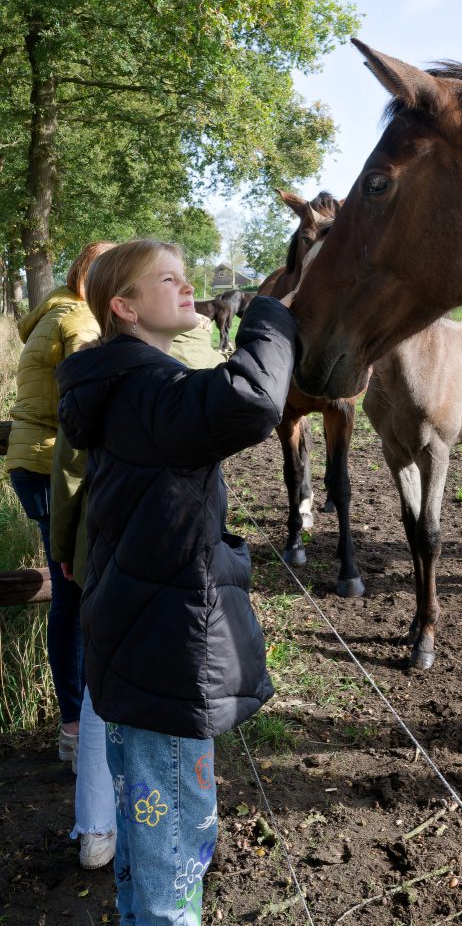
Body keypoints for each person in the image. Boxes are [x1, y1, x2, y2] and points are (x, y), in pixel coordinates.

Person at [56, 239, 296, 922]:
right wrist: (269, 313)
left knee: (146, 851)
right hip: (164, 657)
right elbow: (253, 398)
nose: (188, 287)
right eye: (168, 279)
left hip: (135, 644)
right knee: (174, 859)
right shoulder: (147, 391)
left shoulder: (121, 386)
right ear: (125, 307)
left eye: (187, 276)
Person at [50, 314, 229, 871]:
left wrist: (63, 543)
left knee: (101, 690)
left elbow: (69, 470)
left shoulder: (95, 374)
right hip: (167, 554)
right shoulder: (193, 365)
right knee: (165, 691)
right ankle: (176, 843)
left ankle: (98, 830)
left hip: (103, 548)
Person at [6, 241, 115, 766]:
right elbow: (87, 394)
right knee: (73, 591)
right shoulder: (81, 321)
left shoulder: (54, 311)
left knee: (72, 587)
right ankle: (77, 727)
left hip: (31, 461)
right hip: (52, 463)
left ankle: (78, 723)